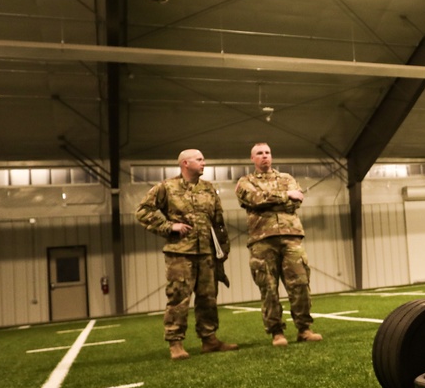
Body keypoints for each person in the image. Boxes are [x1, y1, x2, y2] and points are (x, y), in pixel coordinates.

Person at [135, 149, 238, 360]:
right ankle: (175, 343)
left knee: (208, 298)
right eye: (199, 159)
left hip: (207, 252)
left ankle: (209, 339)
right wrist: (168, 226)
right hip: (180, 253)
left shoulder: (209, 189)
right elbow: (143, 211)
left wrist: (223, 250)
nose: (204, 162)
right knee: (179, 298)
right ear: (185, 163)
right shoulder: (167, 187)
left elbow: (218, 223)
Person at [235, 143, 322, 345]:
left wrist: (272, 200)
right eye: (259, 153)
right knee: (269, 288)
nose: (264, 156)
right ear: (252, 158)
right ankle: (277, 332)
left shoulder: (287, 178)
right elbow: (254, 199)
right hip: (262, 241)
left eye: (267, 153)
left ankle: (304, 329)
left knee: (300, 283)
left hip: (291, 237)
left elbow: (297, 200)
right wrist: (284, 196)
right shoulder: (244, 181)